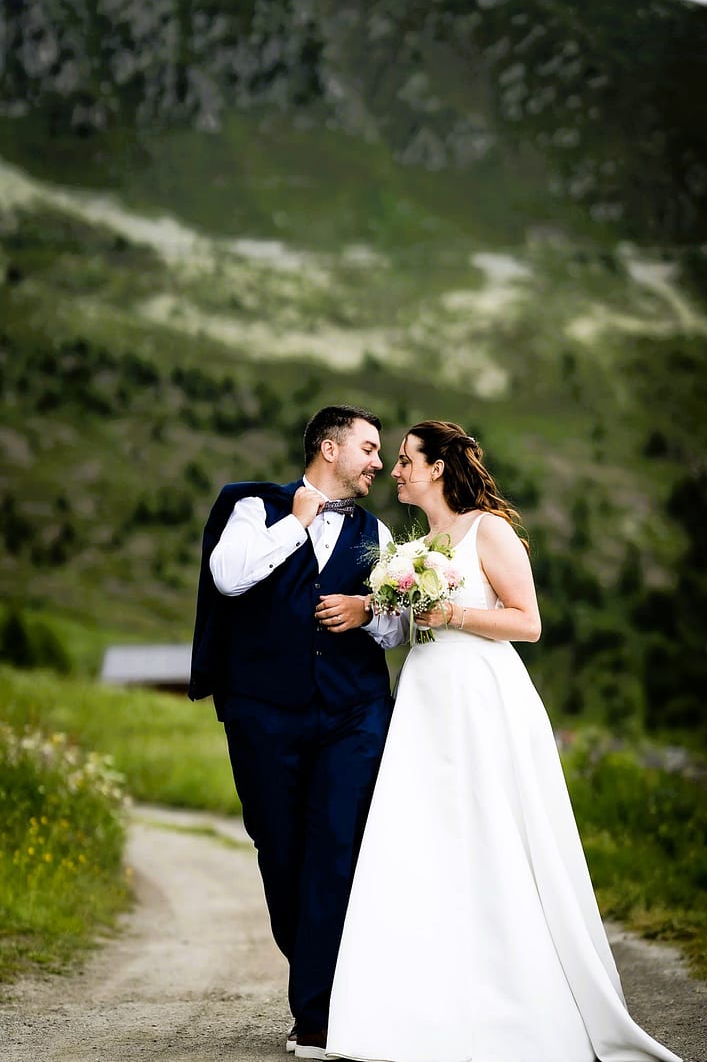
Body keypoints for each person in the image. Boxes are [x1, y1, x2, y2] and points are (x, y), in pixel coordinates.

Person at [326, 420, 682, 1062]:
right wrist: (383, 611)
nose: (397, 470)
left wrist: (451, 613)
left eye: (406, 460)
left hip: (480, 696)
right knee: (423, 839)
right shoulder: (419, 544)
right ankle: (421, 1008)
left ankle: (514, 998)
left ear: (437, 468)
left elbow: (529, 622)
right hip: (427, 698)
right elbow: (412, 627)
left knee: (493, 832)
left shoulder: (486, 528)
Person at [188, 405, 406, 1060]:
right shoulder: (251, 506)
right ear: (329, 447)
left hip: (352, 712)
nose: (377, 462)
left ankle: (319, 1014)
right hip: (264, 712)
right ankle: (319, 975)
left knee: (336, 851)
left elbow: (399, 628)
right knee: (279, 852)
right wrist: (298, 523)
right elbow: (230, 576)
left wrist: (367, 610)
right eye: (368, 448)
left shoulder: (378, 531)